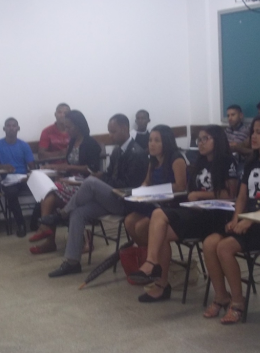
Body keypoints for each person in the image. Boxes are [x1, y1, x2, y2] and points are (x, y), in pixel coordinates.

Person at [202, 113, 260, 324]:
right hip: (247, 220)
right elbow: (242, 196)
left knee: (224, 247)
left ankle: (237, 302)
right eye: (253, 131)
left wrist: (249, 220)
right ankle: (220, 296)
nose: (253, 136)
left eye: (259, 132)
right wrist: (236, 218)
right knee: (209, 243)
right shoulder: (252, 162)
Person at [129, 125, 238, 302]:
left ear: (217, 140)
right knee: (160, 228)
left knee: (158, 218)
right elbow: (190, 192)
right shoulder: (200, 163)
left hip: (215, 216)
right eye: (199, 140)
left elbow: (231, 195)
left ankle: (151, 264)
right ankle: (161, 284)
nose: (200, 143)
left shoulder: (227, 162)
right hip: (195, 211)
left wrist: (200, 195)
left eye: (205, 139)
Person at [43, 113, 149, 277]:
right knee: (78, 212)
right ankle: (72, 262)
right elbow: (110, 176)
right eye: (109, 132)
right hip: (113, 197)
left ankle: (62, 214)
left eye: (113, 132)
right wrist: (102, 177)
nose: (110, 136)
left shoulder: (136, 153)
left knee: (91, 182)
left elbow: (129, 185)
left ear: (124, 129)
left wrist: (102, 181)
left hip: (127, 202)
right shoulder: (117, 151)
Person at [29, 110, 102, 254]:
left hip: (86, 186)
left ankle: (45, 228)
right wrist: (57, 171)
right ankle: (49, 238)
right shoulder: (73, 142)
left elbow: (93, 170)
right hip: (71, 183)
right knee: (50, 191)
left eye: (69, 127)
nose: (66, 131)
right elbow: (70, 168)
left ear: (78, 126)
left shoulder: (91, 143)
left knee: (52, 191)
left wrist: (67, 167)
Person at [123, 125, 187, 247]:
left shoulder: (176, 158)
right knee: (129, 221)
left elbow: (181, 186)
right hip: (155, 203)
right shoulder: (153, 160)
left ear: (166, 142)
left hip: (172, 206)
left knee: (141, 227)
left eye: (157, 141)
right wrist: (141, 190)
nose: (151, 144)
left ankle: (154, 257)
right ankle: (146, 254)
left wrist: (157, 190)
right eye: (150, 140)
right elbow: (147, 182)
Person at [0, 117, 36, 237]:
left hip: (24, 178)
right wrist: (3, 166)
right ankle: (21, 224)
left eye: (14, 125)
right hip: (8, 180)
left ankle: (35, 221)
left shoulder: (24, 145)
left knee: (44, 190)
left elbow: (32, 166)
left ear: (18, 128)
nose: (11, 128)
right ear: (4, 129)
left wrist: (31, 175)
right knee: (11, 194)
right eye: (8, 126)